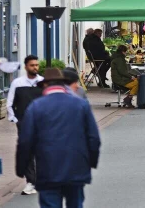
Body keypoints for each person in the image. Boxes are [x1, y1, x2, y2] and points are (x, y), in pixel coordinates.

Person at [16, 69, 100, 208]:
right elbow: (93, 137)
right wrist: (91, 161)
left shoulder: (36, 107)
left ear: (44, 85)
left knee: (50, 204)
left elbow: (25, 141)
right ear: (63, 84)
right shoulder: (80, 104)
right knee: (75, 203)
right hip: (76, 168)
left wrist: (21, 167)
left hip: (48, 168)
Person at [8, 55, 44, 195]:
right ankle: (31, 182)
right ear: (26, 67)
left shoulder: (43, 82)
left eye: (36, 65)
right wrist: (15, 120)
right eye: (32, 65)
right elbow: (10, 103)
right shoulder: (17, 83)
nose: (35, 67)